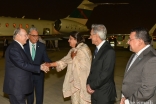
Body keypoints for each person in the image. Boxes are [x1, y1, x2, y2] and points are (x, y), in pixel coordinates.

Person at [3, 28, 49, 104]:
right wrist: (40, 67)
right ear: (18, 36)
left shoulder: (18, 47)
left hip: (18, 86)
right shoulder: (14, 48)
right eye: (25, 35)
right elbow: (22, 64)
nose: (27, 37)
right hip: (16, 87)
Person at [46, 31, 92, 104]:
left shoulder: (84, 49)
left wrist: (74, 58)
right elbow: (63, 61)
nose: (68, 40)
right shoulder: (73, 50)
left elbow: (85, 68)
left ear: (76, 39)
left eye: (70, 39)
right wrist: (50, 65)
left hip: (83, 83)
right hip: (74, 84)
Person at [120, 27, 156, 104]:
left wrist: (128, 101)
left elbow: (147, 90)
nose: (128, 42)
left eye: (130, 39)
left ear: (140, 41)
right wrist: (124, 96)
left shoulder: (152, 59)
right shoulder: (134, 54)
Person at [86, 24, 117, 104]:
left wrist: (92, 86)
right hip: (95, 92)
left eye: (91, 35)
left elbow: (105, 74)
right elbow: (93, 70)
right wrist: (88, 83)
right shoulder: (96, 50)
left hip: (104, 94)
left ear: (96, 35)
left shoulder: (109, 51)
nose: (89, 37)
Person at [24, 27, 52, 104]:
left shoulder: (42, 46)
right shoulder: (24, 46)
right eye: (34, 36)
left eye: (37, 36)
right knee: (29, 97)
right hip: (28, 75)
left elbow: (46, 59)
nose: (36, 38)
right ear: (29, 35)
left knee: (39, 96)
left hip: (39, 75)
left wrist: (53, 64)